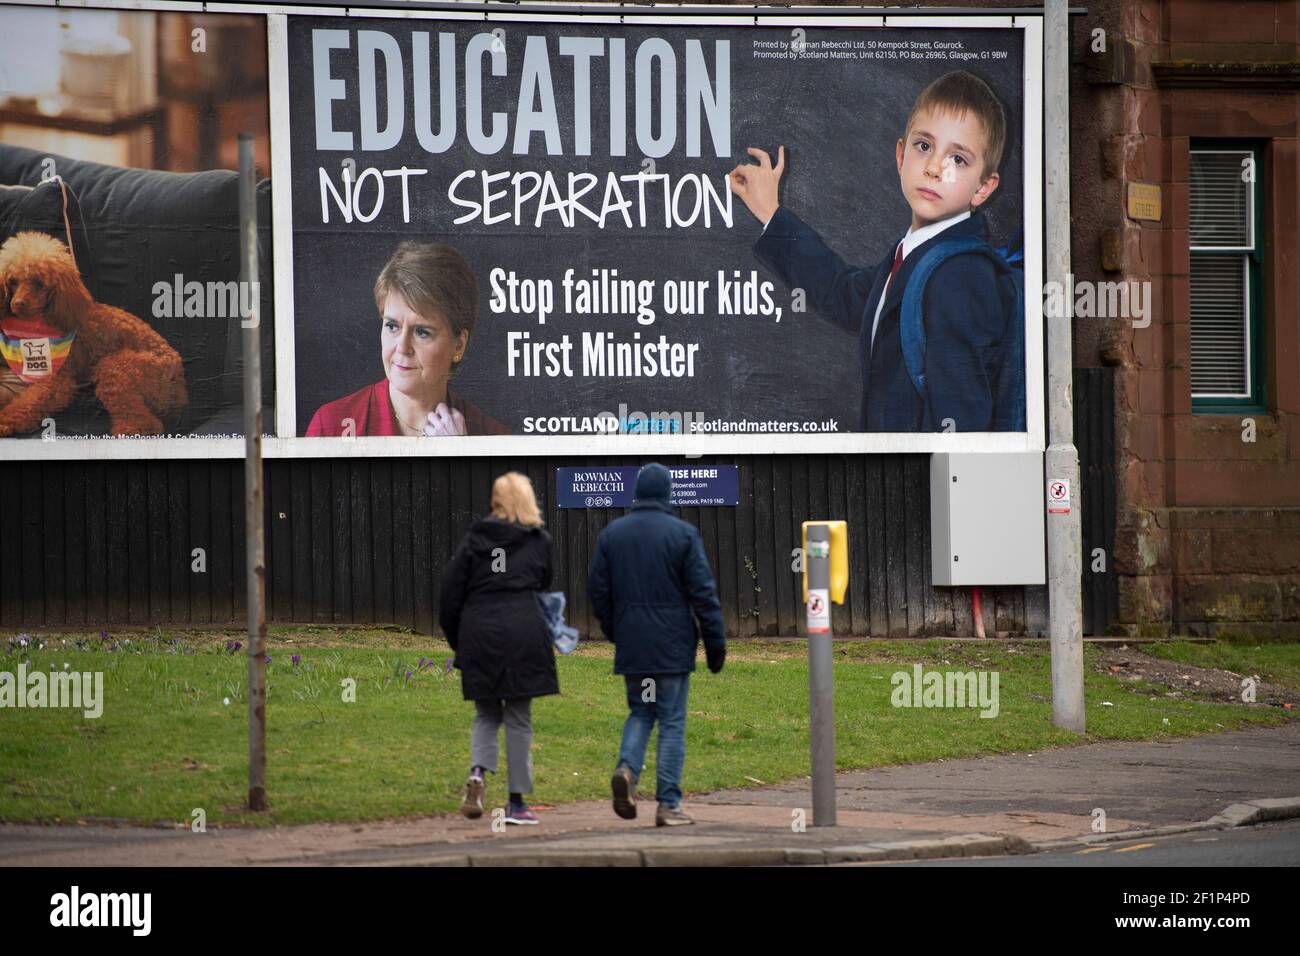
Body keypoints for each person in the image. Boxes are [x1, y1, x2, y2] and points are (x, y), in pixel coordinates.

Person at [729, 70, 1020, 433]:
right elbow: (841, 292)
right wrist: (772, 214)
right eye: (924, 146)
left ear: (983, 188)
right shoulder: (914, 257)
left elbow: (961, 426)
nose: (933, 168)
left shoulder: (960, 275)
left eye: (958, 159)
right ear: (901, 155)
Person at [587, 462, 726, 827]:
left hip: (635, 648)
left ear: (637, 493)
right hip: (671, 648)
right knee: (672, 723)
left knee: (642, 711)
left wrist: (617, 631)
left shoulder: (613, 534)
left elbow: (597, 591)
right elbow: (704, 595)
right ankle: (668, 805)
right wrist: (716, 646)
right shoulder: (683, 534)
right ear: (667, 493)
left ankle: (627, 770)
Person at [439, 471, 557, 825]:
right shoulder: (539, 541)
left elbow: (449, 596)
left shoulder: (474, 540)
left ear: (495, 500)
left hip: (480, 632)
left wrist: (460, 641)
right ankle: (517, 804)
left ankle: (477, 773)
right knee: (519, 718)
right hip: (524, 632)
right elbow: (544, 585)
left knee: (487, 713)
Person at [306, 241, 508, 437]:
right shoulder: (330, 425)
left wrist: (460, 457)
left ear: (459, 345)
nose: (402, 347)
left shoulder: (494, 437)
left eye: (422, 332)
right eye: (392, 326)